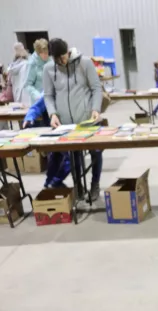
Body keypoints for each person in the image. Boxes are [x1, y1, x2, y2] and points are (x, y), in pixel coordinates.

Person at [43, 38, 103, 201]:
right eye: (56, 59)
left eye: (62, 57)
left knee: (96, 152)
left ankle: (95, 184)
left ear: (68, 51)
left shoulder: (84, 63)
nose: (61, 62)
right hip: (66, 123)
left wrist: (95, 109)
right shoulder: (49, 69)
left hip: (87, 119)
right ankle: (78, 186)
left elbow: (96, 88)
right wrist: (52, 114)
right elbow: (48, 95)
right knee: (74, 155)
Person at [22, 94, 70, 188]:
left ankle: (50, 182)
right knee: (67, 158)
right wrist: (29, 118)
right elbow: (36, 107)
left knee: (57, 157)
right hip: (53, 134)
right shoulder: (48, 93)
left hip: (68, 132)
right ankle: (54, 182)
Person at [25, 38, 50, 104]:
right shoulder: (32, 63)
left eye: (47, 53)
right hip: (39, 101)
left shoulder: (50, 60)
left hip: (50, 100)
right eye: (43, 53)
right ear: (38, 53)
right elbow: (27, 85)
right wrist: (38, 96)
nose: (45, 55)